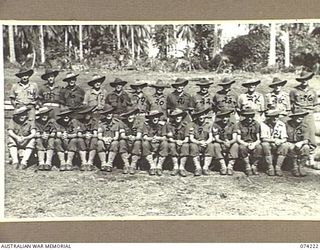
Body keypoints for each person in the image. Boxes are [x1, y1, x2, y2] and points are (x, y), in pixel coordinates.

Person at [289, 70, 318, 169]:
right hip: (298, 114)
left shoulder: (313, 91)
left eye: (306, 79)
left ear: (309, 79)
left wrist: (312, 112)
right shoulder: (294, 91)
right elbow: (291, 104)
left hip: (309, 114)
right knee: (297, 135)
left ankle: (311, 159)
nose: (304, 81)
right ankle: (297, 160)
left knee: (311, 136)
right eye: (302, 79)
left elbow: (315, 105)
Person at [285, 108, 316, 177]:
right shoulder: (287, 124)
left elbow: (307, 139)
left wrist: (301, 143)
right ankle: (294, 167)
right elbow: (283, 135)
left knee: (306, 147)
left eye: (302, 116)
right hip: (288, 142)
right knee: (290, 147)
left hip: (300, 143)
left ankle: (301, 166)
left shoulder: (305, 125)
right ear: (293, 117)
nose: (300, 118)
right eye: (298, 116)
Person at [235, 108, 263, 176]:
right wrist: (246, 144)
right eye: (247, 116)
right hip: (244, 143)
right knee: (242, 148)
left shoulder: (256, 124)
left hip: (254, 143)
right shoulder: (239, 124)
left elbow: (258, 139)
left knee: (259, 148)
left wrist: (254, 144)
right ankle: (247, 166)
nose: (249, 118)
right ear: (245, 116)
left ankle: (254, 166)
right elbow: (238, 139)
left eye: (251, 116)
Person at [260, 110, 288, 176]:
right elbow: (263, 138)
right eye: (273, 117)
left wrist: (280, 141)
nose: (275, 119)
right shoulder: (264, 124)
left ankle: (278, 167)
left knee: (285, 146)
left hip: (278, 143)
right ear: (269, 117)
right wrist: (273, 141)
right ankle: (270, 167)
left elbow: (285, 138)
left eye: (276, 117)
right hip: (269, 142)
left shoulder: (281, 124)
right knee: (265, 145)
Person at [188, 108, 214, 176]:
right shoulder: (192, 124)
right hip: (197, 143)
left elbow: (211, 137)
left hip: (205, 143)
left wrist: (206, 142)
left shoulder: (209, 124)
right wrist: (199, 142)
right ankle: (198, 168)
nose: (201, 117)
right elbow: (191, 138)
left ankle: (205, 167)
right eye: (199, 115)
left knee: (211, 146)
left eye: (202, 115)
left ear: (205, 115)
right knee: (193, 146)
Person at [212, 109, 239, 175]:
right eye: (222, 117)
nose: (224, 118)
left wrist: (229, 142)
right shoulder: (216, 125)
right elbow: (217, 138)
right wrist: (223, 142)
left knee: (235, 145)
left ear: (229, 117)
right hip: (221, 143)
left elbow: (234, 138)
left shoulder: (233, 124)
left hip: (230, 143)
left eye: (226, 117)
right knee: (215, 145)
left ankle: (230, 167)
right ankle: (223, 166)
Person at [142, 110, 168, 176]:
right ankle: (152, 166)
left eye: (156, 117)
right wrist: (151, 139)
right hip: (150, 143)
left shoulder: (162, 124)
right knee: (145, 144)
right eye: (152, 117)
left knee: (165, 144)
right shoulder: (146, 124)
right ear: (150, 118)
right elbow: (145, 137)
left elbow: (164, 137)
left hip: (159, 143)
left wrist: (157, 138)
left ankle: (159, 166)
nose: (154, 119)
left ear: (159, 117)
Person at [165, 108, 190, 177]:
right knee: (172, 145)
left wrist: (181, 141)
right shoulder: (170, 125)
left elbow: (187, 138)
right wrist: (176, 141)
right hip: (174, 142)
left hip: (182, 142)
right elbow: (170, 138)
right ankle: (175, 167)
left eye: (179, 116)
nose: (177, 117)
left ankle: (182, 167)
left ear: (182, 117)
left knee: (185, 145)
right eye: (176, 116)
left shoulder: (185, 125)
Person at [119, 108, 143, 175]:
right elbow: (122, 135)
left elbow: (139, 136)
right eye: (128, 115)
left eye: (131, 115)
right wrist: (127, 137)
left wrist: (134, 138)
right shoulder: (123, 123)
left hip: (135, 141)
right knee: (122, 142)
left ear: (135, 115)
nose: (129, 117)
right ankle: (126, 164)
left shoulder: (139, 123)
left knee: (138, 142)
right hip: (127, 141)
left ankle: (133, 165)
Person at [97, 105, 121, 172]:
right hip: (104, 140)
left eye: (110, 113)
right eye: (107, 113)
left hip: (112, 140)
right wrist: (104, 139)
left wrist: (111, 139)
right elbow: (99, 135)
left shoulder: (116, 123)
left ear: (112, 114)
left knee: (115, 143)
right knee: (99, 142)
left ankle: (109, 163)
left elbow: (116, 136)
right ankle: (103, 163)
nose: (109, 115)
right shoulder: (101, 123)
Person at [76, 106, 100, 171]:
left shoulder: (94, 121)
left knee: (94, 140)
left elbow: (95, 133)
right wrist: (85, 135)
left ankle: (90, 162)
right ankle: (83, 162)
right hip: (83, 138)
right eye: (85, 114)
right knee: (80, 140)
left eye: (89, 113)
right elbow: (79, 134)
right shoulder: (80, 122)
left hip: (91, 139)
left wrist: (90, 135)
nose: (87, 115)